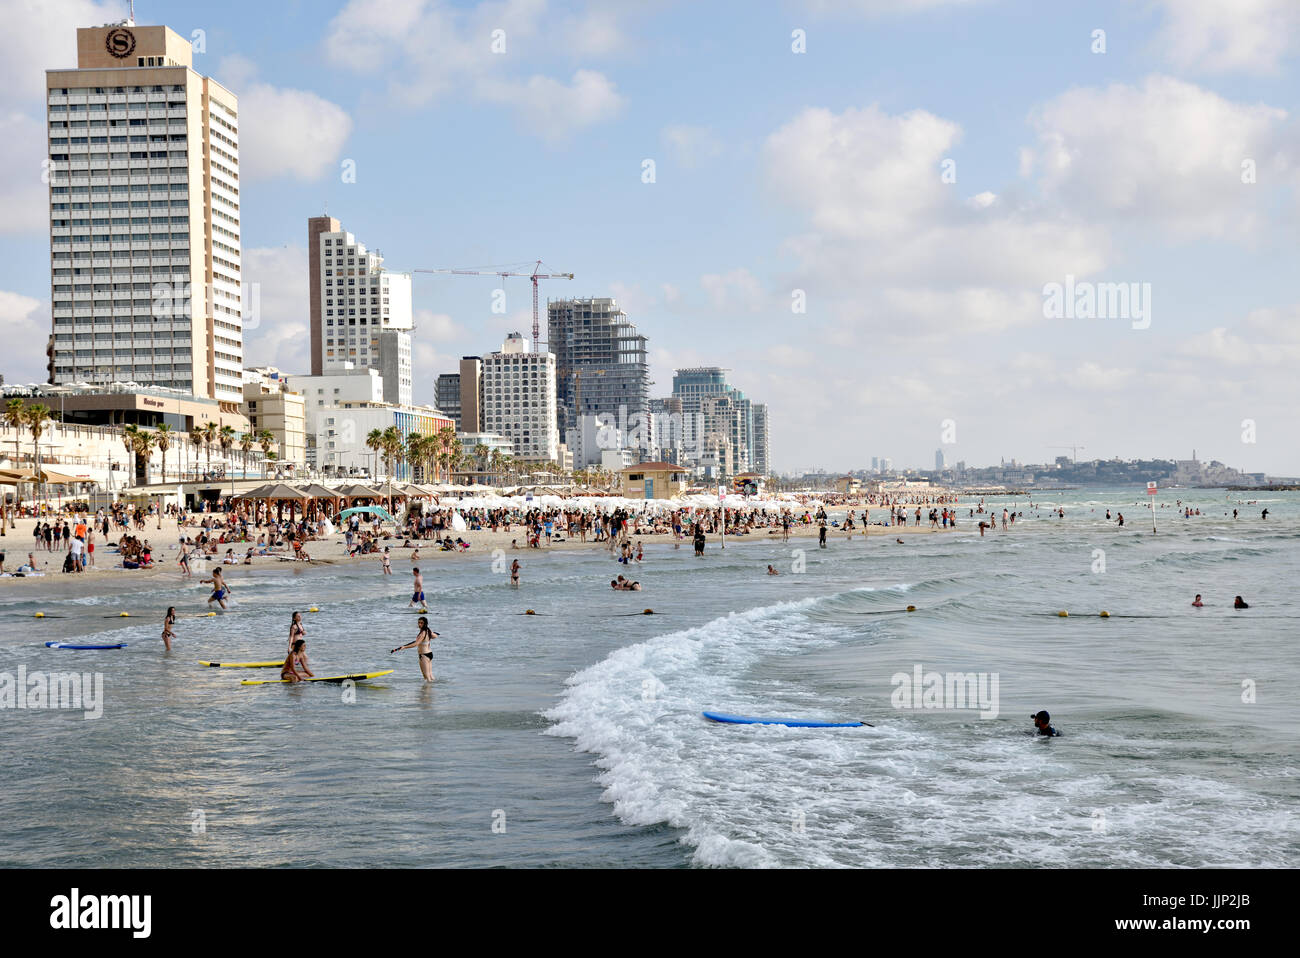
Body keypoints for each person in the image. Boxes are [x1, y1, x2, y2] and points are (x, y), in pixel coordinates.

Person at [391, 617, 438, 682]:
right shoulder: (428, 630)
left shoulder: (422, 633)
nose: (419, 624)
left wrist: (405, 647)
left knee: (427, 677)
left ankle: (427, 691)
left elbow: (416, 644)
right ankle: (433, 689)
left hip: (424, 656)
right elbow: (435, 636)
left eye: (421, 623)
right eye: (419, 622)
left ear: (425, 623)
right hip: (429, 654)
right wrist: (435, 634)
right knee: (431, 676)